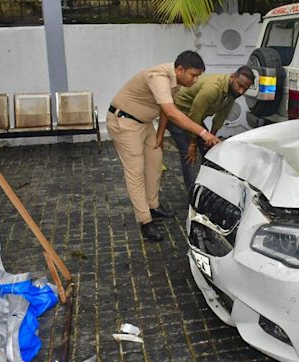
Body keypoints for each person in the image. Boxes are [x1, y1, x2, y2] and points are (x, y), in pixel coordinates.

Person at [106, 50, 220, 242]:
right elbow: (171, 112)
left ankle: (153, 206)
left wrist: (159, 136)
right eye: (193, 75)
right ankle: (145, 221)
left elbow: (165, 109)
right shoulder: (159, 77)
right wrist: (203, 133)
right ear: (181, 69)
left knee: (155, 164)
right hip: (124, 122)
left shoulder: (176, 79)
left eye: (198, 76)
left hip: (145, 124)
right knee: (135, 172)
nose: (195, 80)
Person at [157, 65, 254, 194]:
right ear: (232, 77)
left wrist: (211, 137)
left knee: (210, 150)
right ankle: (193, 195)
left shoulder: (232, 91)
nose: (241, 91)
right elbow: (195, 113)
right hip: (178, 114)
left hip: (193, 117)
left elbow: (221, 116)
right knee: (189, 154)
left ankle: (208, 186)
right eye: (240, 85)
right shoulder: (212, 88)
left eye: (245, 89)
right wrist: (193, 143)